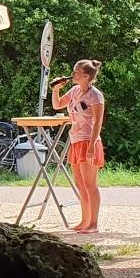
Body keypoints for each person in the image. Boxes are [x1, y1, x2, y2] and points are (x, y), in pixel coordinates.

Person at [51, 59, 105, 233]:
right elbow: (57, 105)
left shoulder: (95, 95)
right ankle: (85, 220)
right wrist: (56, 90)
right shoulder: (75, 90)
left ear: (86, 76)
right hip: (76, 139)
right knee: (80, 183)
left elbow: (98, 122)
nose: (72, 74)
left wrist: (91, 146)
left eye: (76, 72)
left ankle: (93, 224)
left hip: (89, 140)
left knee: (90, 184)